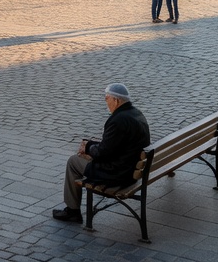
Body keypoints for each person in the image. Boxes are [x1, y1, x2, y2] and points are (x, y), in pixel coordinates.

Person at [52, 83, 151, 223]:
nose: (105, 101)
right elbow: (113, 146)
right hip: (131, 168)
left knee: (73, 161)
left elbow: (104, 152)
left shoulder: (117, 120)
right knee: (84, 156)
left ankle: (72, 211)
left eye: (107, 98)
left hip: (117, 174)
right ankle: (72, 209)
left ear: (116, 100)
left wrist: (87, 149)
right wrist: (90, 146)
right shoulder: (136, 113)